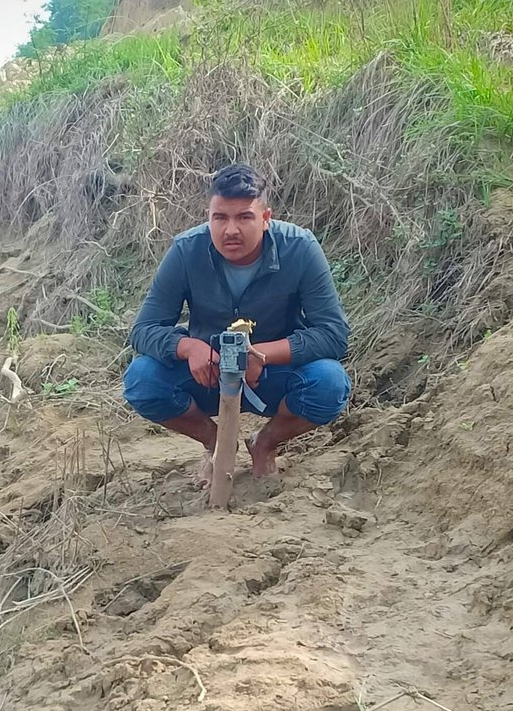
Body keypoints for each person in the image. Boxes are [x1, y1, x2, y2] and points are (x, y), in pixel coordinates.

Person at [124, 164, 351, 483]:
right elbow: (143, 330)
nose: (230, 230)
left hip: (272, 375)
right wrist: (188, 347)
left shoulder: (300, 249)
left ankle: (265, 445)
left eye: (244, 217)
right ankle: (217, 443)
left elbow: (333, 334)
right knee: (142, 380)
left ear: (266, 218)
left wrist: (262, 355)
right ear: (209, 217)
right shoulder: (186, 251)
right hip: (208, 373)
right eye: (220, 218)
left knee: (330, 384)